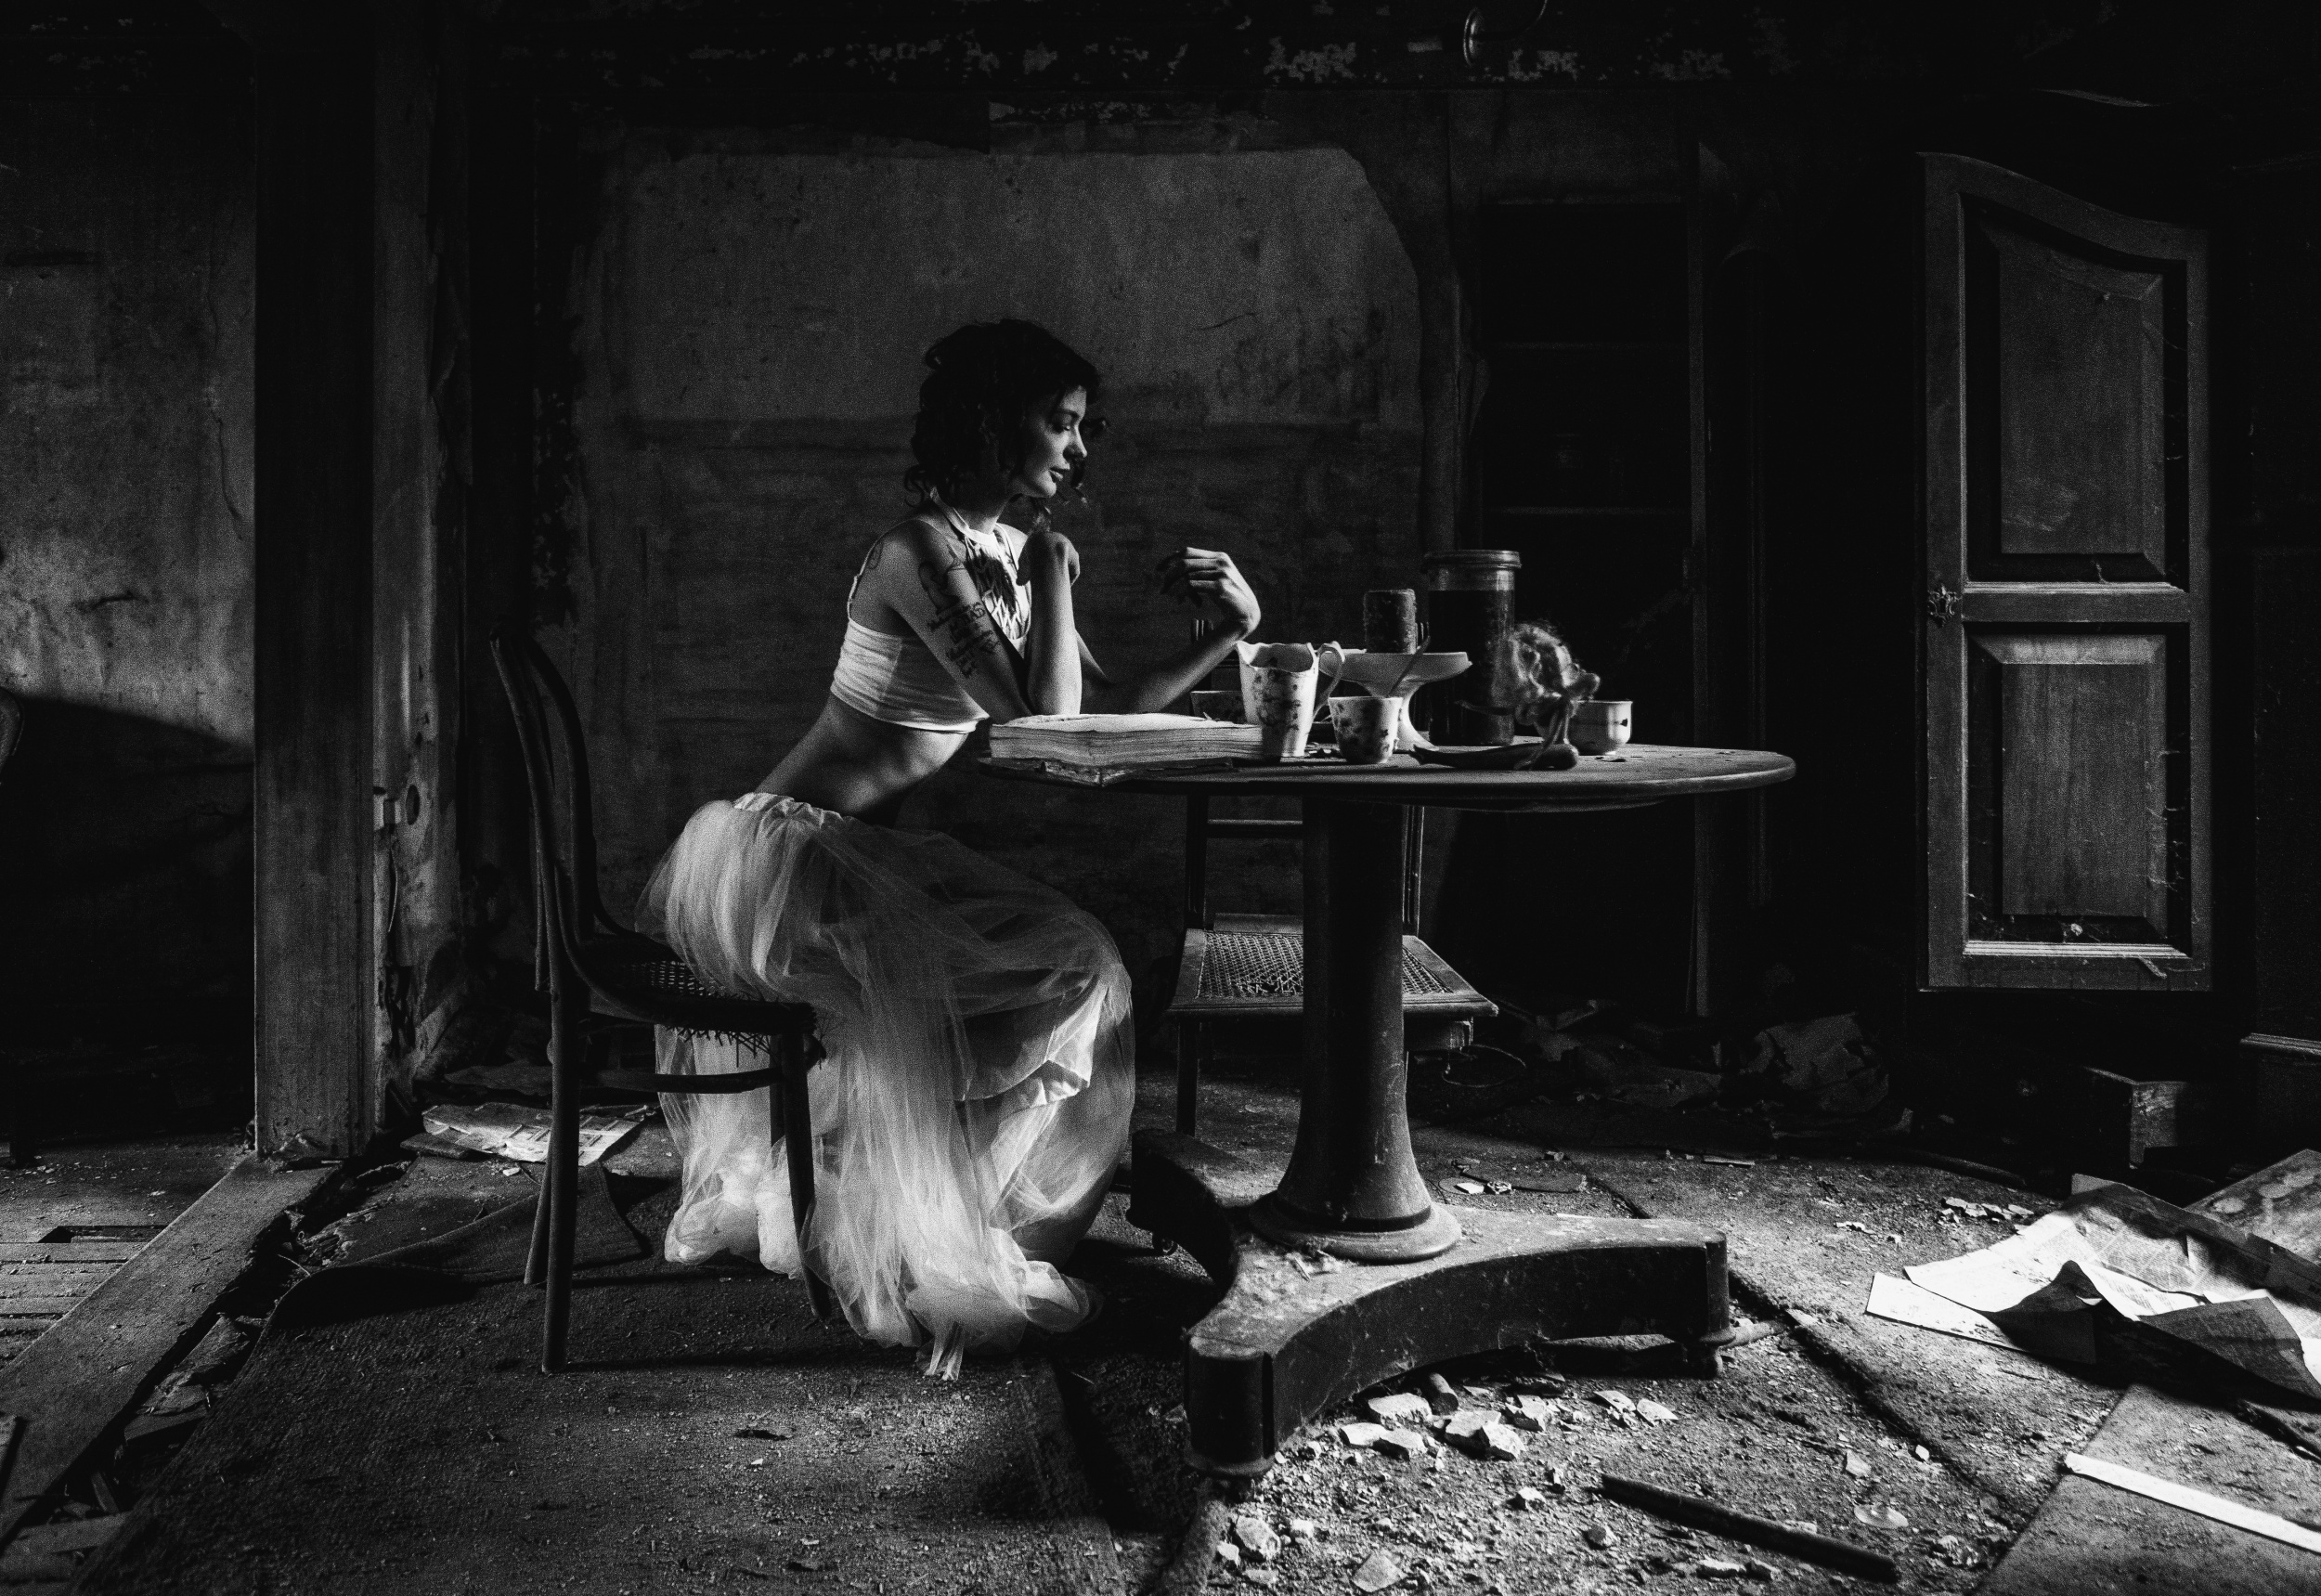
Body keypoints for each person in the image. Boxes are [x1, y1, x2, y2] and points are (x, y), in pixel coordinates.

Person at [639, 319, 1262, 1376]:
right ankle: (916, 1227)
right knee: (1073, 965)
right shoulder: (918, 552)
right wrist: (1055, 575)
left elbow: (1093, 702)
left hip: (854, 858)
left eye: (1081, 427)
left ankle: (922, 1216)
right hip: (789, 860)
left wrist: (1229, 632)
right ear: (993, 424)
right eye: (1059, 424)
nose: (1078, 449)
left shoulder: (1001, 550)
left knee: (1066, 967)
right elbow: (1035, 718)